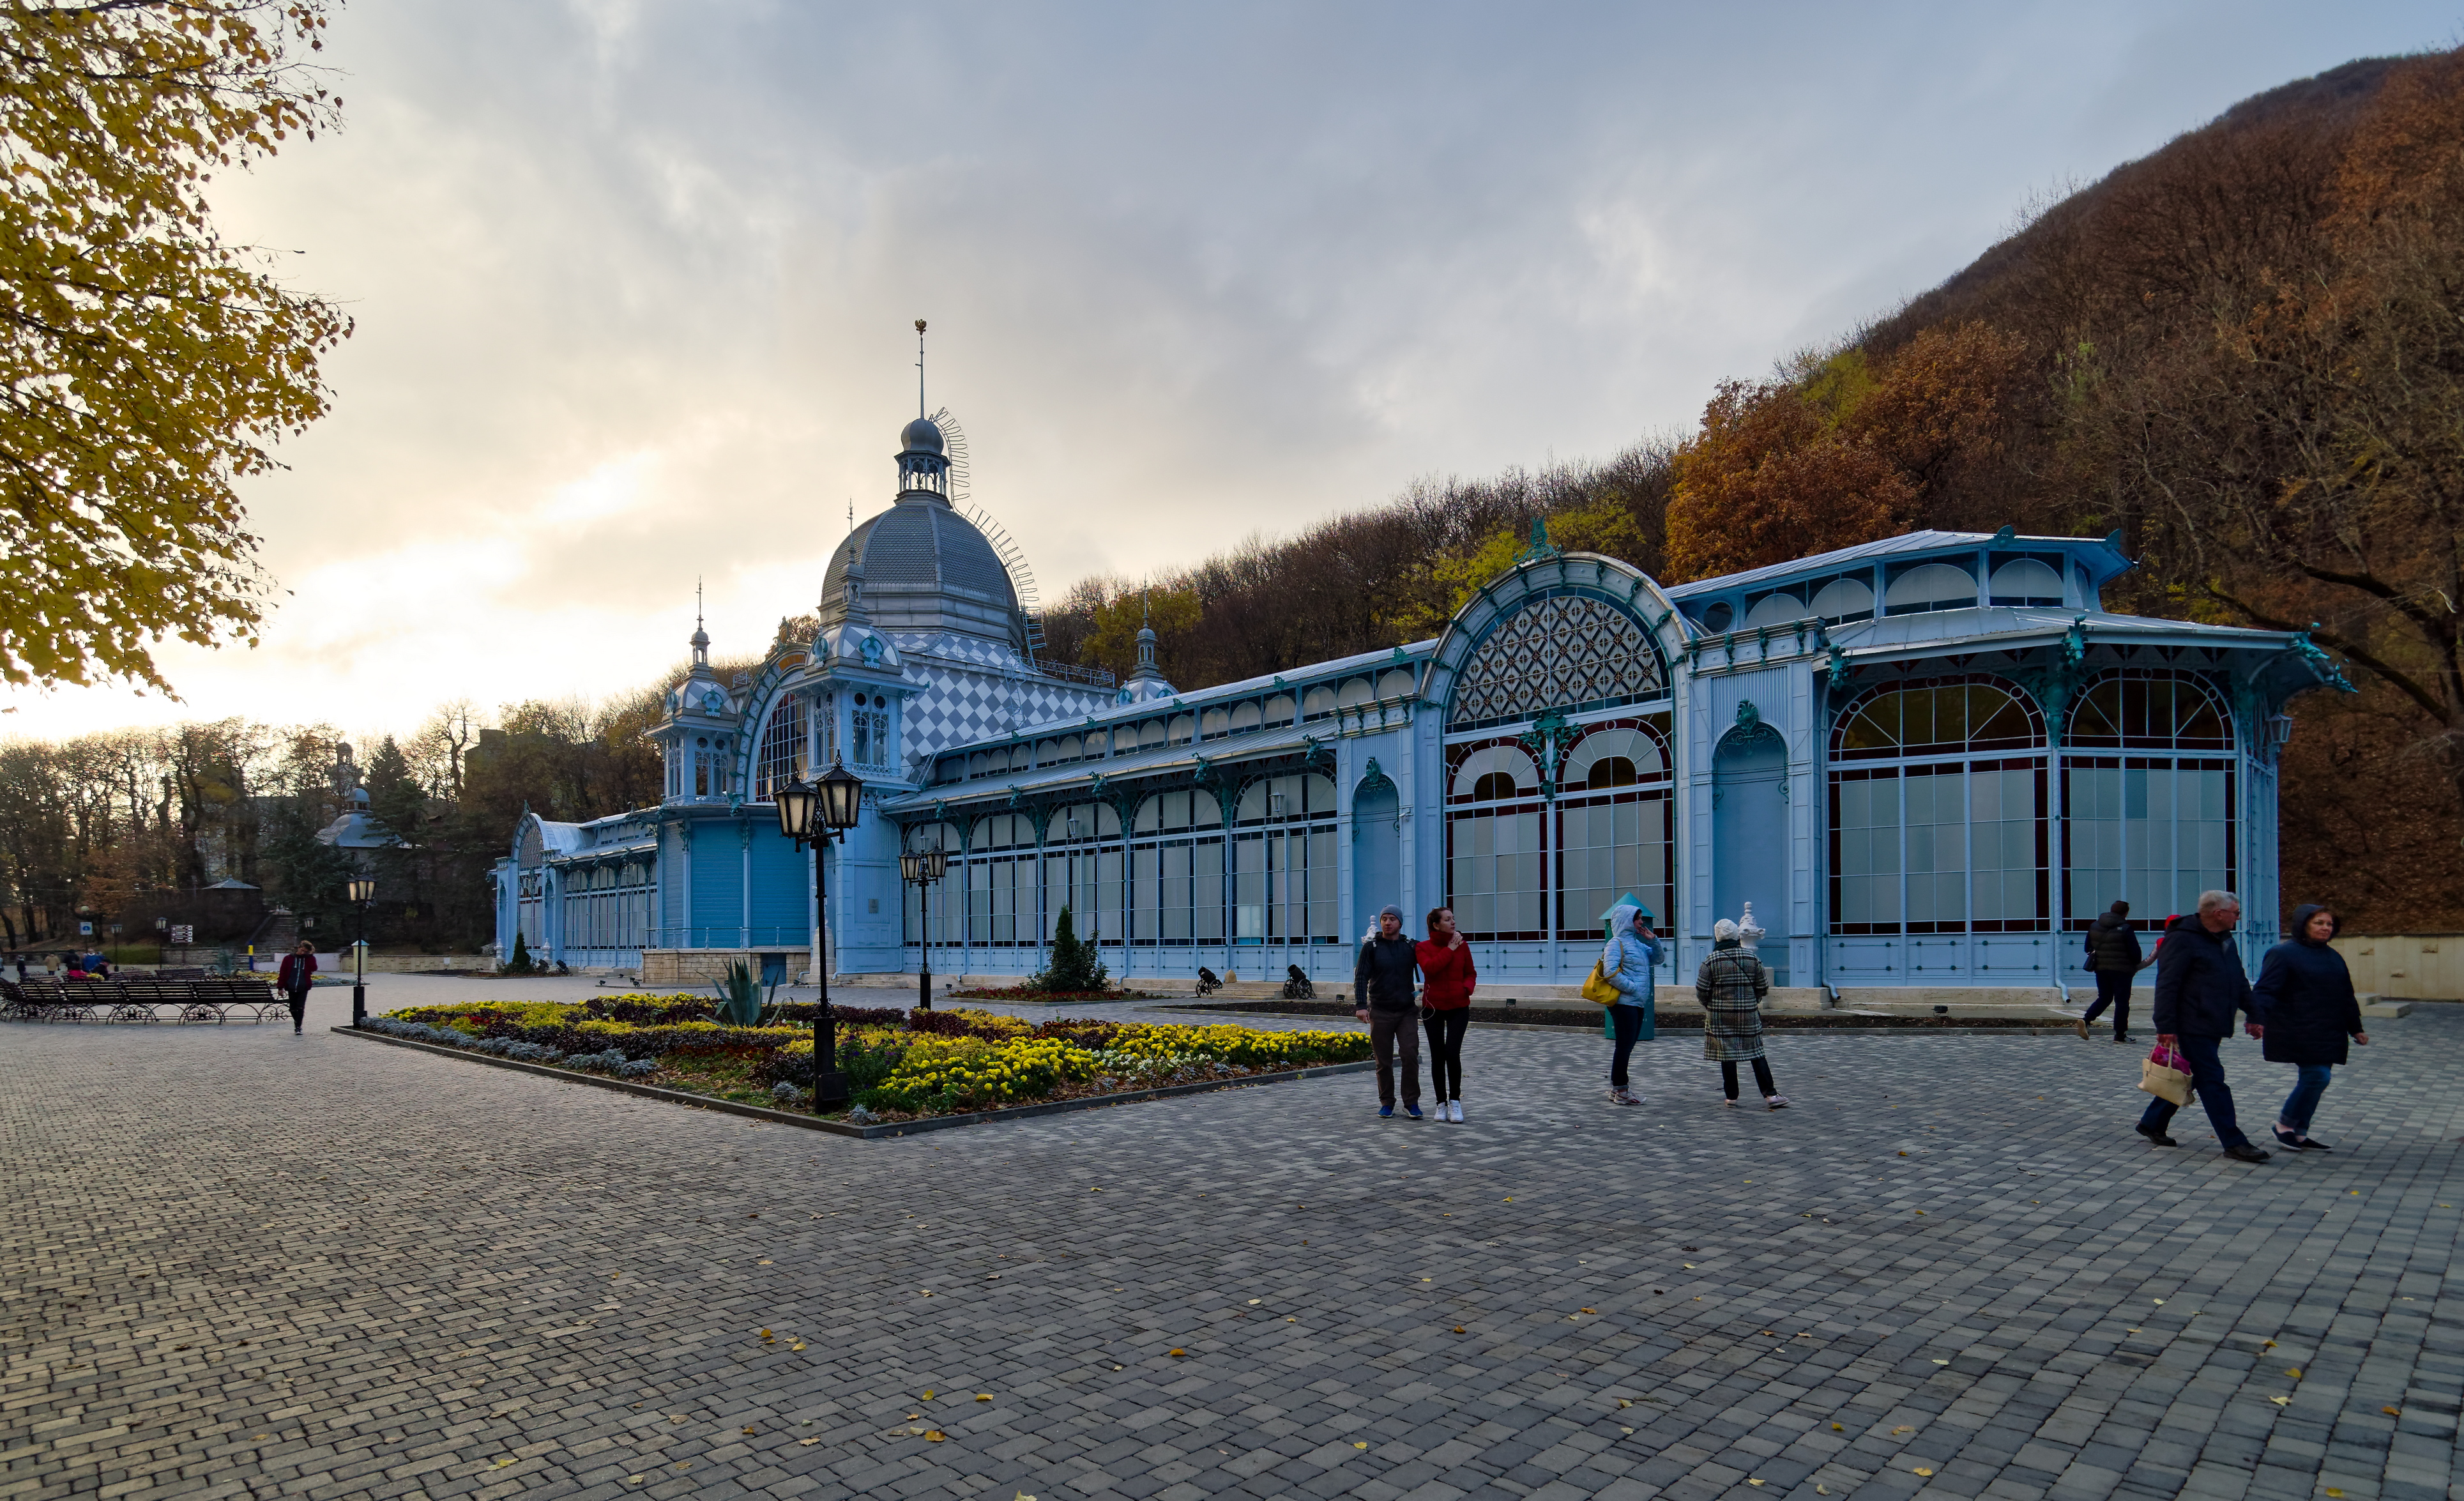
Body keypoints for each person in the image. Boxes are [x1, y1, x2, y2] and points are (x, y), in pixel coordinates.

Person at [2137, 890, 2269, 1161]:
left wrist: (2255, 1015)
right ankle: (2234, 1142)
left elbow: (2238, 980)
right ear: (2218, 913)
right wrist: (2165, 1024)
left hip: (2213, 1021)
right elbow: (2167, 984)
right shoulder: (2182, 939)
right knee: (2212, 1080)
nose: (2239, 917)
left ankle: (2152, 1122)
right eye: (2236, 912)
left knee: (2195, 1075)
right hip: (2190, 1022)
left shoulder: (2224, 939)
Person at [2253, 903, 2368, 1151]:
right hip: (2296, 1027)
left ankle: (2300, 1132)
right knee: (2317, 1075)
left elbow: (2346, 995)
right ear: (2303, 924)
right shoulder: (2282, 954)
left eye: (2329, 924)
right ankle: (2284, 1125)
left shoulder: (2333, 956)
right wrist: (2257, 1018)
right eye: (2319, 923)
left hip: (2328, 1029)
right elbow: (2265, 989)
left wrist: (2355, 1028)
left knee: (2318, 1079)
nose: (2326, 928)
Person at [1698, 916, 1784, 1108]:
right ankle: (1770, 1095)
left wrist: (1711, 1006)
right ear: (1736, 935)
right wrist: (1752, 1000)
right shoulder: (1752, 958)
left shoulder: (1710, 961)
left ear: (1717, 937)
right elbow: (1762, 987)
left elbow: (1702, 991)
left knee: (1727, 1055)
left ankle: (1732, 1096)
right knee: (1756, 1052)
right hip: (1748, 1014)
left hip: (1720, 1015)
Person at [1353, 905, 1422, 1118]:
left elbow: (1434, 963)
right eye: (1384, 919)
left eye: (1392, 919)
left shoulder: (1411, 946)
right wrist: (1361, 1006)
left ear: (1400, 923)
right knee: (1383, 1061)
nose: (1387, 922)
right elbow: (1361, 977)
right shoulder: (1372, 947)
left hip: (1406, 1012)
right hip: (1380, 1010)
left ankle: (1411, 1103)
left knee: (1410, 1055)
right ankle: (1387, 1102)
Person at [1415, 906, 1475, 1122]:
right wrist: (1449, 948)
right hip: (1433, 1007)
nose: (1453, 922)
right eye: (1448, 919)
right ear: (1436, 924)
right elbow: (1430, 969)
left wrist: (1466, 989)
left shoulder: (1463, 946)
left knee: (1452, 1053)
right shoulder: (1422, 947)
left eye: (1453, 918)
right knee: (1438, 1056)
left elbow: (1470, 973)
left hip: (1459, 1006)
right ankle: (1441, 1104)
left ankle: (1455, 1102)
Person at [1599, 902, 1660, 1106]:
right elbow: (1609, 972)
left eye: (1641, 918)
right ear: (1626, 921)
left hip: (1636, 1003)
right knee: (1624, 1046)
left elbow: (1658, 959)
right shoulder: (1616, 944)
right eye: (1637, 918)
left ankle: (1618, 1088)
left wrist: (1653, 941)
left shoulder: (1638, 944)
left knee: (1627, 1046)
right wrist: (1632, 987)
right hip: (1624, 1002)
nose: (1641, 922)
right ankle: (1622, 1090)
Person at [2079, 900, 2156, 1042]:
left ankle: (2087, 1019)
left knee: (2105, 997)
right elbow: (2135, 954)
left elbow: (2087, 948)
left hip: (2101, 968)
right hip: (2122, 971)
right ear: (2126, 913)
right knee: (2122, 1002)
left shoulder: (2094, 926)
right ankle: (2120, 1035)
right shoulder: (2125, 928)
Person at [277, 940, 317, 1036]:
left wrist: (310, 956)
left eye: (306, 952)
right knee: (292, 1008)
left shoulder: (309, 959)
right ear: (299, 948)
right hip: (291, 986)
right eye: (302, 950)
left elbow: (314, 968)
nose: (303, 953)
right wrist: (280, 987)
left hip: (303, 986)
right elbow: (283, 973)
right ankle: (297, 1022)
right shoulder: (288, 959)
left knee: (300, 1007)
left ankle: (298, 1027)